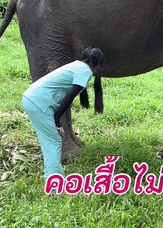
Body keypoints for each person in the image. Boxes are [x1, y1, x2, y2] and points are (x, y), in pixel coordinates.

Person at [22, 46, 104, 181]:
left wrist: (56, 121)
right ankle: (55, 187)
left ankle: (53, 178)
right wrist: (56, 117)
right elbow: (70, 95)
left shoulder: (77, 65)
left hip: (33, 99)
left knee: (51, 141)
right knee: (53, 142)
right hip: (39, 103)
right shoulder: (86, 71)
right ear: (96, 64)